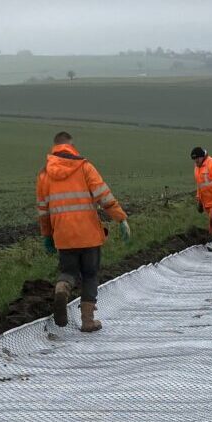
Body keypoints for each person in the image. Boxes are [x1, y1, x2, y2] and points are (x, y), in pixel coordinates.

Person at [36, 132, 130, 333]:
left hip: (63, 235)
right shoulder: (84, 167)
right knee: (89, 275)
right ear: (71, 146)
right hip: (88, 235)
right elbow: (104, 197)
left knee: (68, 272)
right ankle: (88, 321)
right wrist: (121, 219)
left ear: (55, 148)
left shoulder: (44, 175)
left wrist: (47, 236)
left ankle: (62, 288)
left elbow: (43, 211)